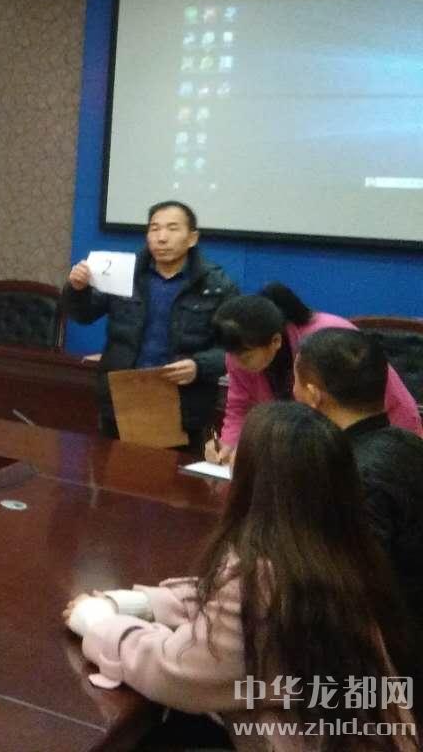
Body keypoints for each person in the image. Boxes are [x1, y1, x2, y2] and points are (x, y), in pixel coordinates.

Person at [64, 402, 417, 750]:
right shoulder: (337, 551)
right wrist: (141, 603)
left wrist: (98, 625)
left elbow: (175, 670)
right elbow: (222, 601)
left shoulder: (264, 577)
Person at [62, 200, 236, 445]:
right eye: (154, 229)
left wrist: (199, 366)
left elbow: (235, 349)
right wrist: (77, 289)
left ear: (192, 238)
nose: (161, 237)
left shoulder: (216, 285)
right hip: (122, 397)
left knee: (176, 471)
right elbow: (83, 315)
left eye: (172, 228)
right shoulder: (124, 272)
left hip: (183, 402)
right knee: (113, 467)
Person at [294, 327, 423, 633]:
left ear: (313, 395)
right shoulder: (410, 443)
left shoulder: (348, 476)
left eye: (295, 381)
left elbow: (351, 592)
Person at [206, 283, 420, 464]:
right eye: (231, 355)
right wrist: (228, 445)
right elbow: (239, 406)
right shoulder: (240, 352)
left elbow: (376, 400)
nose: (236, 363)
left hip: (380, 435)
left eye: (245, 357)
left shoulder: (326, 342)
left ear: (275, 341)